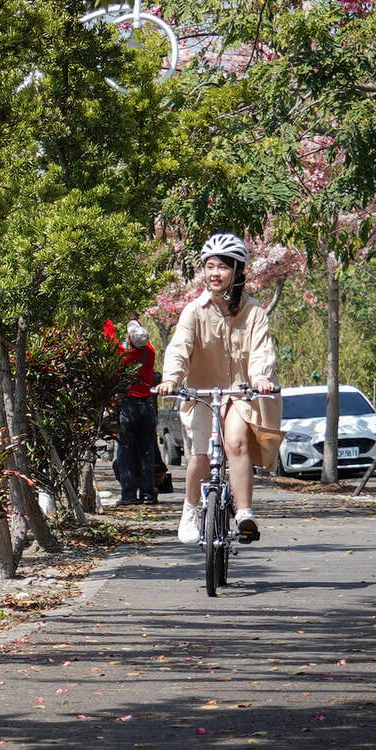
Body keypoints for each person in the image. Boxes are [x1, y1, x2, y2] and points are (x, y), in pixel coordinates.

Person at [151, 232, 280, 544]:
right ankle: (191, 509)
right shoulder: (195, 310)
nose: (214, 273)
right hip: (201, 394)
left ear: (237, 271)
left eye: (222, 267)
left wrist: (261, 378)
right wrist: (171, 378)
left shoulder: (253, 312)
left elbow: (262, 351)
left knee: (236, 443)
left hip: (241, 393)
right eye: (209, 266)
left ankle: (245, 513)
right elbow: (180, 347)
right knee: (201, 454)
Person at [106, 318, 159, 504]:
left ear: (130, 339)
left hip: (129, 406)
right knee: (147, 451)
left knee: (125, 450)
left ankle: (128, 494)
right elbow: (143, 339)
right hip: (147, 405)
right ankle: (147, 493)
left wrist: (109, 320)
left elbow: (109, 338)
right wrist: (136, 322)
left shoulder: (123, 353)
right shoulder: (150, 352)